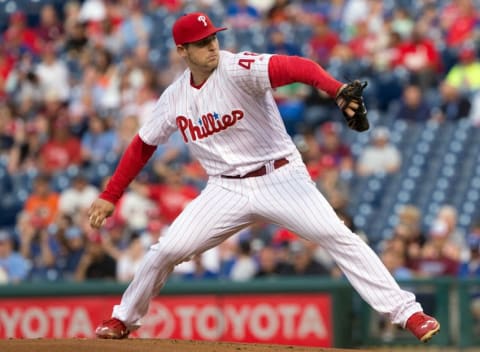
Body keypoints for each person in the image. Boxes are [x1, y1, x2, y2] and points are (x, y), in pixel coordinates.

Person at [89, 12, 440, 342]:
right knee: (165, 250)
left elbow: (295, 67)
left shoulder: (237, 67)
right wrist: (110, 194)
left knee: (337, 235)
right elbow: (142, 145)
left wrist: (334, 88)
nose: (211, 46)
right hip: (225, 188)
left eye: (212, 38)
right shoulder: (174, 98)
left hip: (281, 177)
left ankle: (408, 313)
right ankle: (123, 318)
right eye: (201, 42)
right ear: (182, 51)